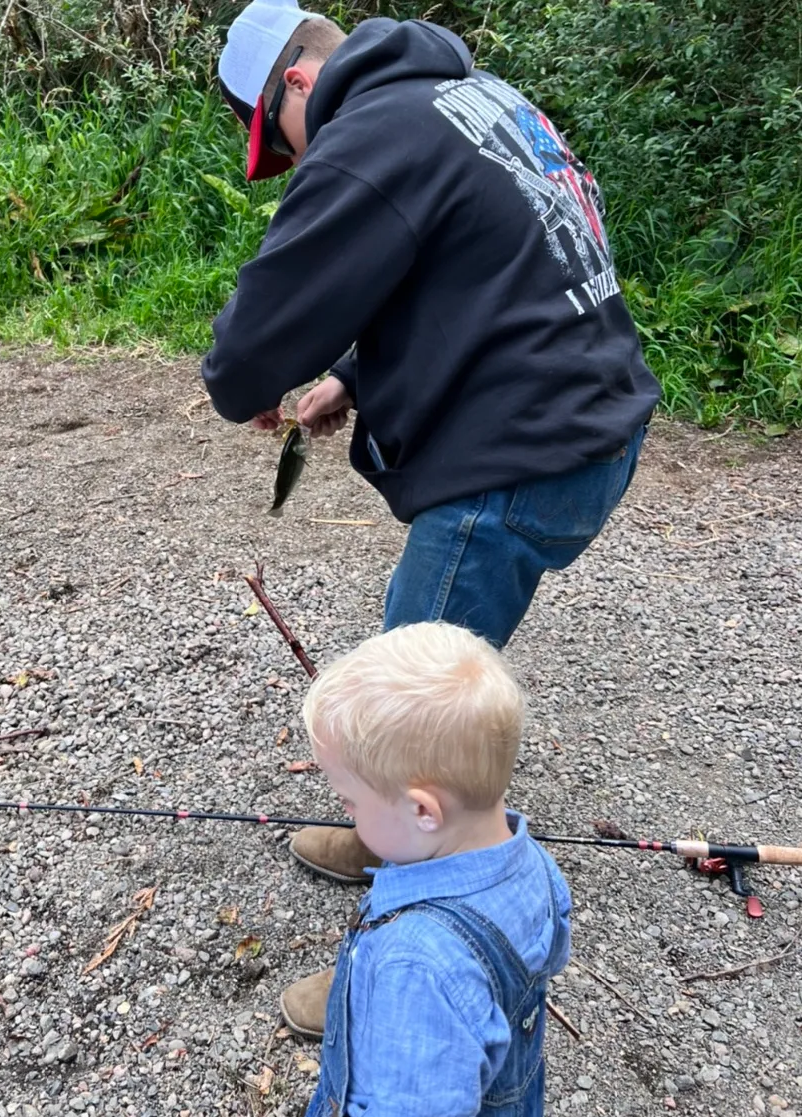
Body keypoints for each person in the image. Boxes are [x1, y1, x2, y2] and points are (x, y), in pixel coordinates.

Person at [200, 0, 658, 1035]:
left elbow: (242, 362)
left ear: (300, 83)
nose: (297, 159)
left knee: (414, 730)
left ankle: (398, 971)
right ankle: (383, 834)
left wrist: (262, 373)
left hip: (516, 464)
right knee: (423, 696)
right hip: (587, 428)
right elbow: (489, 272)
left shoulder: (371, 140)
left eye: (282, 140)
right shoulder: (475, 99)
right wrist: (351, 377)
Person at [298, 621, 571, 1116]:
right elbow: (550, 956)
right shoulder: (532, 860)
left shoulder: (417, 968)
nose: (345, 814)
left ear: (424, 812)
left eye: (350, 801)